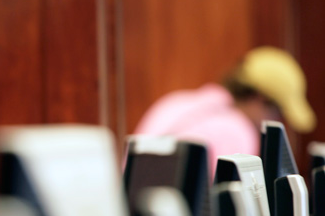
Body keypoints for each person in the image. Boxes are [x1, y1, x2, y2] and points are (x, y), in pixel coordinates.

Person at [133, 46, 316, 175]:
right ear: (261, 98)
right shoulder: (237, 131)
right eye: (278, 112)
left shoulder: (176, 101)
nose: (276, 120)